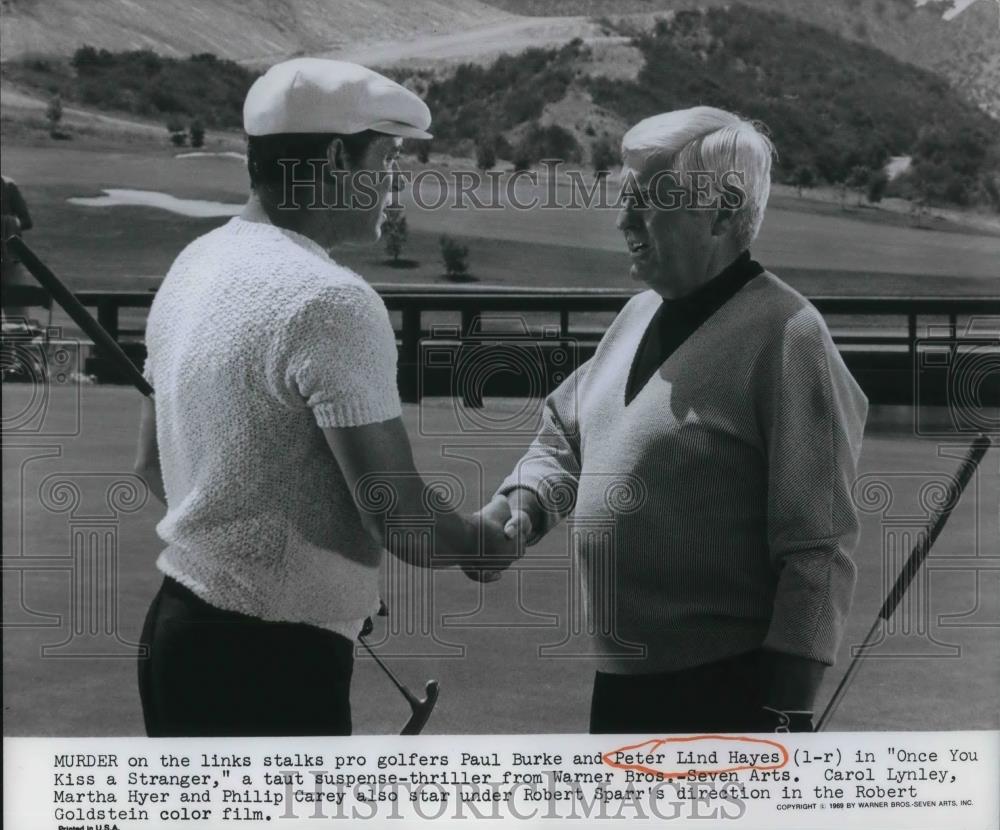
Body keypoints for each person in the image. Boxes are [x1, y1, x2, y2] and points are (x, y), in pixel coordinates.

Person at [134, 59, 514, 737]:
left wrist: (297, 566)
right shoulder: (330, 299)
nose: (391, 185)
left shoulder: (196, 261)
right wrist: (481, 543)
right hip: (267, 666)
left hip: (175, 632)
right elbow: (401, 519)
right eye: (386, 158)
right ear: (337, 159)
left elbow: (152, 463)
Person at [481, 107, 868, 734]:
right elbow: (567, 436)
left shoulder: (788, 335)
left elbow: (818, 550)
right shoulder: (639, 313)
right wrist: (520, 508)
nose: (623, 218)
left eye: (648, 200)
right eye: (624, 195)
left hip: (726, 699)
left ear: (720, 211)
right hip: (622, 691)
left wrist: (786, 716)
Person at [1, 173, 35, 320]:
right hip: (10, 256)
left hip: (10, 258)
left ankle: (20, 340)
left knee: (17, 311)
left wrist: (6, 224)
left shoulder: (8, 185)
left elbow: (26, 221)